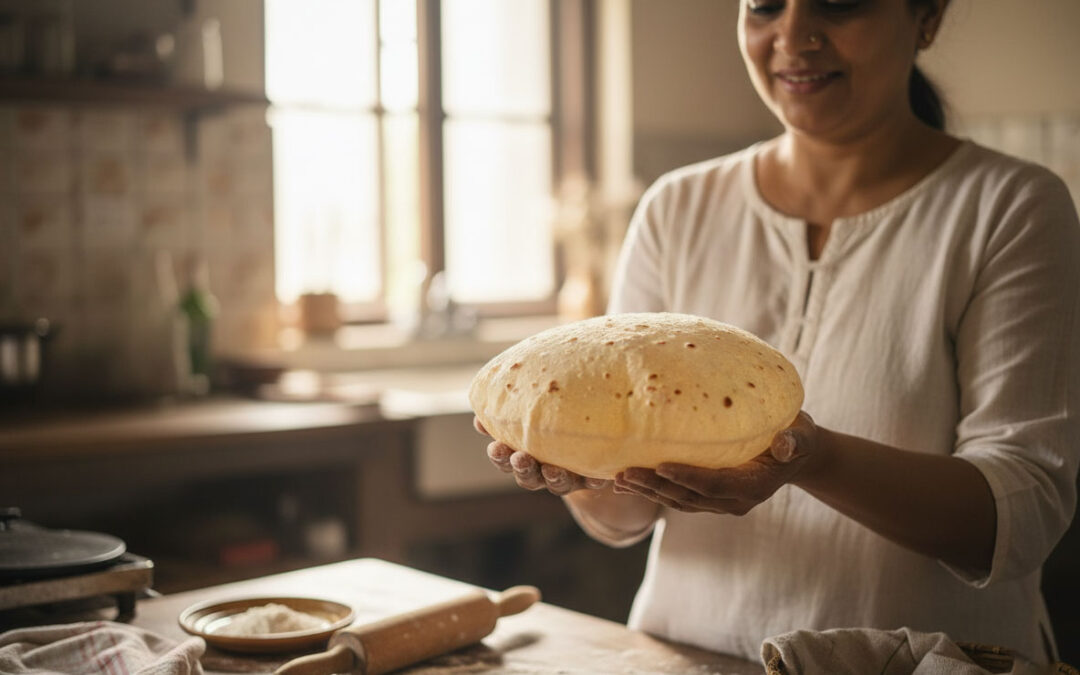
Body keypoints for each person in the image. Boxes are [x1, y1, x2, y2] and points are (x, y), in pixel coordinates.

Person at [476, 0, 1080, 663]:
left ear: (926, 17)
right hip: (687, 654)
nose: (792, 35)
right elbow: (625, 516)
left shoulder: (1012, 207)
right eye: (764, 5)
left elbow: (1021, 515)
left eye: (837, 3)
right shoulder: (677, 208)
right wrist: (576, 469)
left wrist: (812, 459)